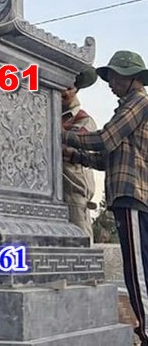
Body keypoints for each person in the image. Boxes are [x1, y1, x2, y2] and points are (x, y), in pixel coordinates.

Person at [62, 51, 148, 346]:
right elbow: (107, 159)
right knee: (138, 267)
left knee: (136, 271)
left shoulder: (138, 103)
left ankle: (145, 331)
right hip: (131, 196)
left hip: (132, 194)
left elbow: (104, 140)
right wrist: (75, 155)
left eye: (114, 77)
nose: (110, 83)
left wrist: (62, 136)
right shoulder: (130, 106)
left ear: (130, 77)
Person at [61, 68, 98, 239]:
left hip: (74, 195)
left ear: (76, 89)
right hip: (53, 194)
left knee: (81, 242)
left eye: (69, 88)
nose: (64, 92)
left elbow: (73, 146)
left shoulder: (84, 120)